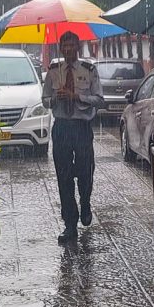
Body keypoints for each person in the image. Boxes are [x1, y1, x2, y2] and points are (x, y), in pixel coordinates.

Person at [42, 31, 104, 242]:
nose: (68, 49)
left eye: (71, 45)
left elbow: (99, 99)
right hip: (62, 128)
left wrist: (76, 96)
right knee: (64, 176)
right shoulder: (53, 71)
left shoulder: (89, 70)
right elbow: (44, 100)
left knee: (86, 171)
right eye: (64, 46)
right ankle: (70, 224)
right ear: (60, 48)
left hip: (82, 127)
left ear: (77, 47)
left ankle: (85, 201)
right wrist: (55, 98)